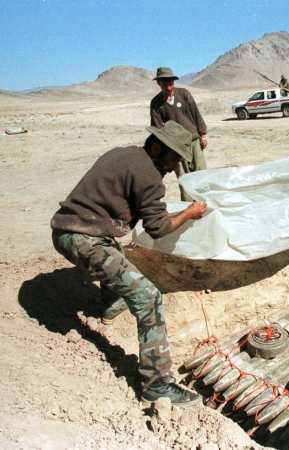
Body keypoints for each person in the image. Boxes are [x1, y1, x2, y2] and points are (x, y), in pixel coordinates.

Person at [50, 121, 208, 406]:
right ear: (157, 147)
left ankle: (110, 306)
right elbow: (158, 228)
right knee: (148, 297)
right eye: (173, 159)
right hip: (83, 239)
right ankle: (158, 384)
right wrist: (189, 213)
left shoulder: (125, 153)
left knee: (119, 258)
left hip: (68, 229)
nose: (173, 167)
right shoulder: (149, 174)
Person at [150, 67, 208, 202]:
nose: (169, 88)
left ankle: (205, 205)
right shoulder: (156, 103)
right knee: (184, 178)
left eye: (171, 84)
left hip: (194, 141)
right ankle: (189, 211)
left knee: (202, 175)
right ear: (159, 84)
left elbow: (196, 114)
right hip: (176, 147)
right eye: (165, 85)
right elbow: (157, 128)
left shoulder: (184, 94)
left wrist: (203, 135)